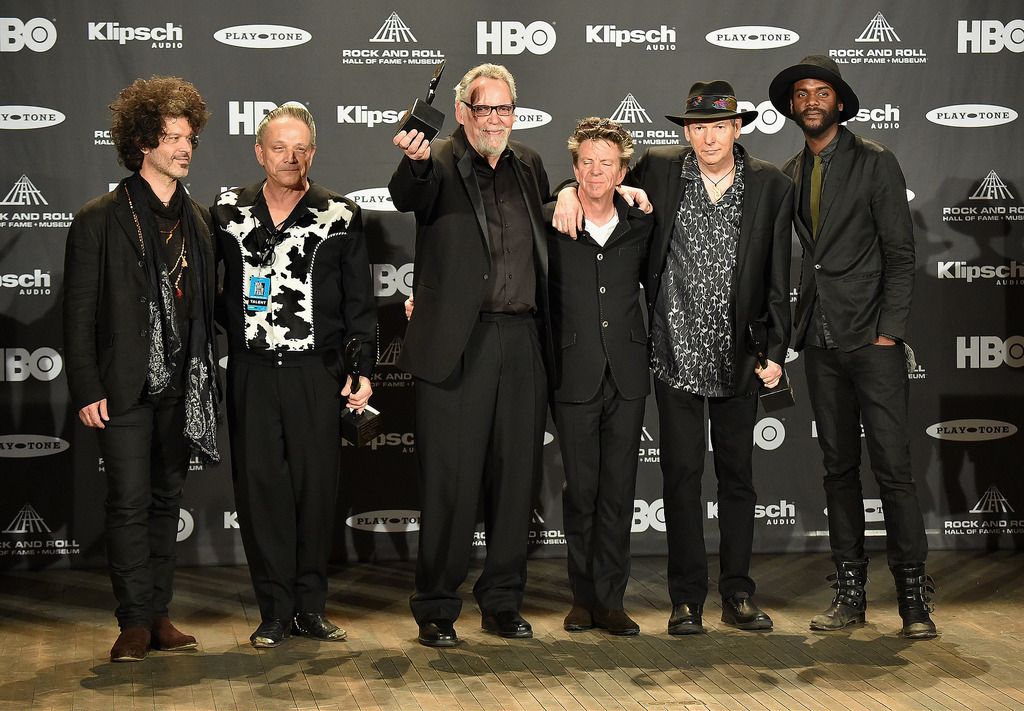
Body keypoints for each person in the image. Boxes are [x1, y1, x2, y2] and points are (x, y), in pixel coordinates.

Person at [555, 81, 792, 635]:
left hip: (740, 356)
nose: (707, 136)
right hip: (671, 354)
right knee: (681, 480)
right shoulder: (659, 170)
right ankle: (686, 599)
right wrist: (567, 189)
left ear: (738, 128)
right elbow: (597, 181)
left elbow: (780, 274)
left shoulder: (771, 185)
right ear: (685, 131)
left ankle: (737, 592)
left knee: (738, 480)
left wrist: (775, 350)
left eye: (718, 125)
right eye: (697, 126)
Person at [769, 55, 936, 639]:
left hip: (872, 338)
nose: (811, 100)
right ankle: (850, 596)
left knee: (894, 469)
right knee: (838, 470)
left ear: (839, 101)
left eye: (821, 92)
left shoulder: (875, 161)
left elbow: (900, 252)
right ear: (793, 107)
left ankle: (914, 602)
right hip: (818, 338)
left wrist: (890, 329)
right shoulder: (788, 171)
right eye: (801, 93)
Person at [389, 63, 552, 647]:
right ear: (461, 113)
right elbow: (404, 192)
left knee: (515, 482)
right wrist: (413, 156)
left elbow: (556, 224)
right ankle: (435, 606)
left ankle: (503, 601)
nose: (497, 120)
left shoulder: (529, 164)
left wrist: (619, 190)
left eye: (506, 109)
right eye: (485, 110)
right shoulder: (435, 163)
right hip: (457, 344)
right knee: (450, 484)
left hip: (521, 341)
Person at [63, 76, 219, 662]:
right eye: (172, 137)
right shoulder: (99, 218)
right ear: (142, 143)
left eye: (189, 137)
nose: (184, 147)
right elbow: (78, 314)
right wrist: (86, 385)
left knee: (164, 502)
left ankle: (158, 615)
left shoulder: (199, 221)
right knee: (127, 503)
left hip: (183, 388)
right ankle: (131, 621)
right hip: (124, 389)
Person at [212, 102, 376, 648]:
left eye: (301, 147)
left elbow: (359, 306)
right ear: (259, 152)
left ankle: (310, 607)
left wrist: (362, 370)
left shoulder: (342, 215)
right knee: (261, 496)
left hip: (316, 373)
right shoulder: (226, 211)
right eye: (279, 147)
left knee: (314, 493)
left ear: (313, 152)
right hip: (252, 374)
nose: (291, 158)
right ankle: (274, 610)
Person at [548, 118, 653, 635]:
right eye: (585, 162)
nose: (595, 172)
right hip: (573, 372)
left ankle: (612, 600)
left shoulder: (641, 221)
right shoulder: (554, 219)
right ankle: (582, 599)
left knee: (618, 492)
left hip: (628, 374)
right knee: (581, 492)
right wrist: (563, 193)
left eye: (605, 163)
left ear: (622, 171)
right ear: (573, 169)